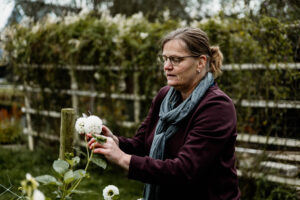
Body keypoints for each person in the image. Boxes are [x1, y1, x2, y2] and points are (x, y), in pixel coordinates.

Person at [87, 27, 241, 200]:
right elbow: (142, 145)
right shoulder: (164, 97)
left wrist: (123, 158)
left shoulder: (217, 107)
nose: (167, 66)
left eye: (176, 59)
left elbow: (184, 170)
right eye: (165, 58)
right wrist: (114, 142)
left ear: (200, 62)